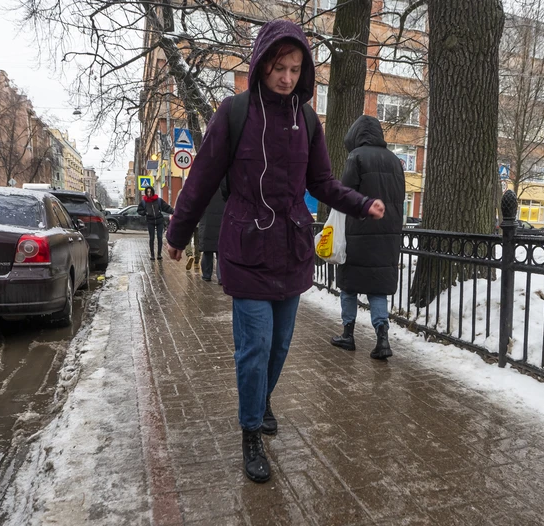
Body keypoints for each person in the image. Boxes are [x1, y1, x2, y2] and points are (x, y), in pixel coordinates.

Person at [165, 19, 385, 483]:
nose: (286, 77)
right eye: (278, 67)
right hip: (246, 251)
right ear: (262, 64)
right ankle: (250, 434)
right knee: (255, 346)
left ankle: (262, 400)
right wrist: (177, 234)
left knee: (281, 345)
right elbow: (201, 177)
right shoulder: (234, 112)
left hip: (292, 250)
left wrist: (362, 203)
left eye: (295, 68)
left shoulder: (306, 120)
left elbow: (322, 182)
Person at [330, 116, 405, 360]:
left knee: (349, 286)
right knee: (377, 289)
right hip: (387, 234)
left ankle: (348, 335)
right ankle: (382, 339)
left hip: (358, 232)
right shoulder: (395, 160)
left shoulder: (357, 157)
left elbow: (345, 193)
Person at [198, 189, 225, 285]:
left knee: (207, 252)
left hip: (207, 226)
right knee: (220, 253)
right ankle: (221, 277)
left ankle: (206, 275)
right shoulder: (224, 189)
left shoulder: (206, 189)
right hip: (221, 225)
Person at [138, 186, 173, 260]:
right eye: (147, 192)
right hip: (150, 221)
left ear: (153, 192)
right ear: (146, 193)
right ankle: (152, 255)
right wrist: (145, 212)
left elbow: (166, 207)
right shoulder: (144, 202)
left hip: (159, 220)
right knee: (152, 238)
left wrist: (175, 212)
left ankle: (159, 254)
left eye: (150, 192)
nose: (149, 193)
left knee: (160, 237)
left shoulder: (158, 200)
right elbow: (139, 210)